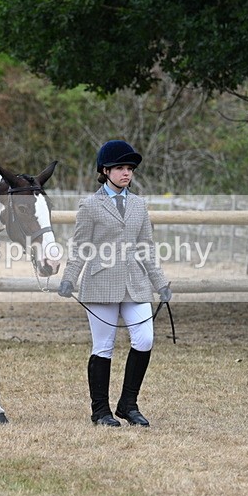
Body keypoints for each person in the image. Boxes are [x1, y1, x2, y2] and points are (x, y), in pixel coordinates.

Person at [58, 140, 172, 427]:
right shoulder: (90, 205)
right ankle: (100, 411)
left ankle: (128, 404)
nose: (126, 173)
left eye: (129, 168)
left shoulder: (139, 205)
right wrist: (69, 278)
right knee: (103, 346)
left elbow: (146, 247)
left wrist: (160, 282)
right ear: (105, 171)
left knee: (145, 339)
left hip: (136, 282)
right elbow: (80, 247)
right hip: (101, 282)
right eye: (120, 168)